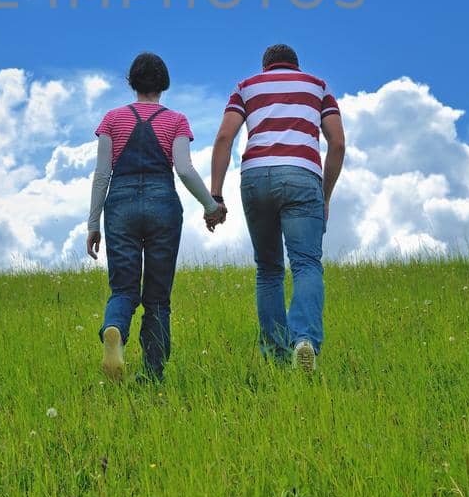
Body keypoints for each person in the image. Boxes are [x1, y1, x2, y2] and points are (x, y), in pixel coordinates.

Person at [207, 43, 346, 372]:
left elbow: (224, 137)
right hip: (301, 176)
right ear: (296, 65)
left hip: (256, 177)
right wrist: (324, 195)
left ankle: (278, 356)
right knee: (306, 265)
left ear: (265, 66)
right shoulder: (318, 86)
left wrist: (216, 195)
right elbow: (337, 143)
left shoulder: (246, 87)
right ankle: (305, 340)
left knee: (268, 270)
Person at [85, 52, 223, 381]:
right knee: (158, 297)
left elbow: (102, 174)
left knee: (123, 290)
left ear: (132, 82)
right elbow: (185, 170)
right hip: (163, 204)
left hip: (120, 204)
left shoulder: (112, 119)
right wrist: (210, 206)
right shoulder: (175, 120)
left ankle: (115, 328)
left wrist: (93, 224)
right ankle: (152, 373)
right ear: (163, 83)